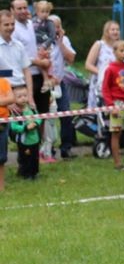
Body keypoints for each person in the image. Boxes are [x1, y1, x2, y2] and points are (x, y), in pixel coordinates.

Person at [102, 39, 124, 171]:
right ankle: (117, 163)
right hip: (117, 104)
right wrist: (111, 106)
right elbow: (105, 89)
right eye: (121, 51)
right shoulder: (110, 69)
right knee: (116, 133)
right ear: (114, 52)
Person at [47, 15, 78, 158]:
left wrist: (60, 42)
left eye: (57, 26)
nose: (55, 29)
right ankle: (48, 149)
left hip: (60, 83)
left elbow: (71, 59)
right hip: (45, 84)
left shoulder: (64, 40)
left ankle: (66, 147)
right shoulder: (40, 39)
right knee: (47, 118)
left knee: (66, 114)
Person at [11, 0, 48, 114]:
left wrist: (44, 55)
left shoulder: (31, 24)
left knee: (43, 114)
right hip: (23, 79)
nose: (23, 11)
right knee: (28, 115)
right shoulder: (12, 28)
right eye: (19, 8)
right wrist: (40, 62)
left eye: (25, 8)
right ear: (12, 10)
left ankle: (42, 133)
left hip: (39, 74)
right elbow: (19, 57)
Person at [84, 20, 120, 109]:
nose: (115, 32)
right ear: (107, 32)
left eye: (117, 29)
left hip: (116, 84)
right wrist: (103, 73)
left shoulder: (120, 46)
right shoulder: (99, 44)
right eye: (113, 29)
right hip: (99, 83)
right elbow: (88, 64)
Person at [10, 85, 42, 180]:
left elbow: (39, 118)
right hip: (24, 141)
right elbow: (14, 127)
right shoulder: (15, 113)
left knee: (35, 157)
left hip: (35, 139)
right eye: (19, 97)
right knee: (25, 158)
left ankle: (35, 173)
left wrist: (35, 123)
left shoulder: (32, 109)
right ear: (14, 99)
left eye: (25, 95)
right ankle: (26, 173)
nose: (23, 98)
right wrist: (25, 127)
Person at [0, 69, 14, 191]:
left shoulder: (4, 82)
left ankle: (1, 187)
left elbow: (11, 98)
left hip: (3, 124)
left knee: (1, 158)